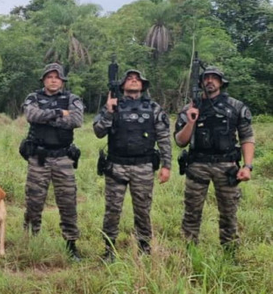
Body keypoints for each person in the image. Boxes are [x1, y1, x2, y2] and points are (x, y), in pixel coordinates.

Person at [93, 69, 171, 261]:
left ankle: (144, 248)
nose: (134, 81)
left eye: (137, 79)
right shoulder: (112, 105)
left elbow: (163, 137)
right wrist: (110, 112)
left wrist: (166, 165)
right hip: (116, 166)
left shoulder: (153, 108)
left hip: (143, 166)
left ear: (143, 85)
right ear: (122, 85)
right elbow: (98, 131)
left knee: (143, 209)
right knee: (112, 209)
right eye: (129, 79)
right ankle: (109, 249)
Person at [174, 66, 253, 252]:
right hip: (197, 165)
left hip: (226, 166)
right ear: (201, 82)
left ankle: (230, 252)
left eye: (214, 78)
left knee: (229, 213)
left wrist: (248, 166)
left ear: (221, 81)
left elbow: (247, 137)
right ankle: (189, 251)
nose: (210, 80)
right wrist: (191, 121)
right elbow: (180, 141)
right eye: (206, 77)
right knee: (191, 213)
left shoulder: (236, 106)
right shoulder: (190, 108)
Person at [19, 63, 83, 261]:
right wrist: (58, 113)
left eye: (57, 77)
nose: (53, 80)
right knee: (34, 202)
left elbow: (77, 120)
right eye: (49, 77)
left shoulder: (72, 98)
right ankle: (30, 241)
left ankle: (71, 244)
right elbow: (31, 115)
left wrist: (46, 117)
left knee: (68, 202)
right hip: (39, 158)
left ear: (62, 81)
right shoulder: (34, 98)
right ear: (44, 80)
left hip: (63, 158)